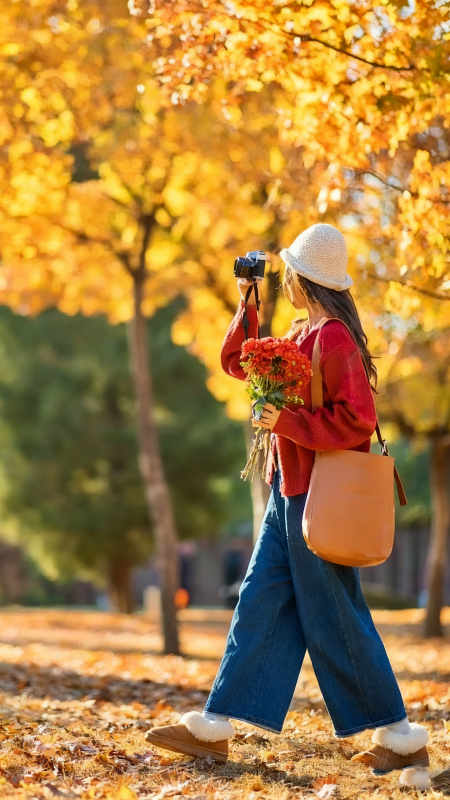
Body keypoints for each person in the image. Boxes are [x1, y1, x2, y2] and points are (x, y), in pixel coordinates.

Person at [146, 224, 429, 777]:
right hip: (287, 492)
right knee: (260, 601)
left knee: (334, 616)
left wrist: (289, 422)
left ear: (305, 277)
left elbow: (358, 420)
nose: (284, 280)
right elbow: (238, 363)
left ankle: (399, 735)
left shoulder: (336, 340)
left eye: (287, 272)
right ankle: (217, 724)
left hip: (319, 497)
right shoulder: (301, 333)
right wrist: (247, 302)